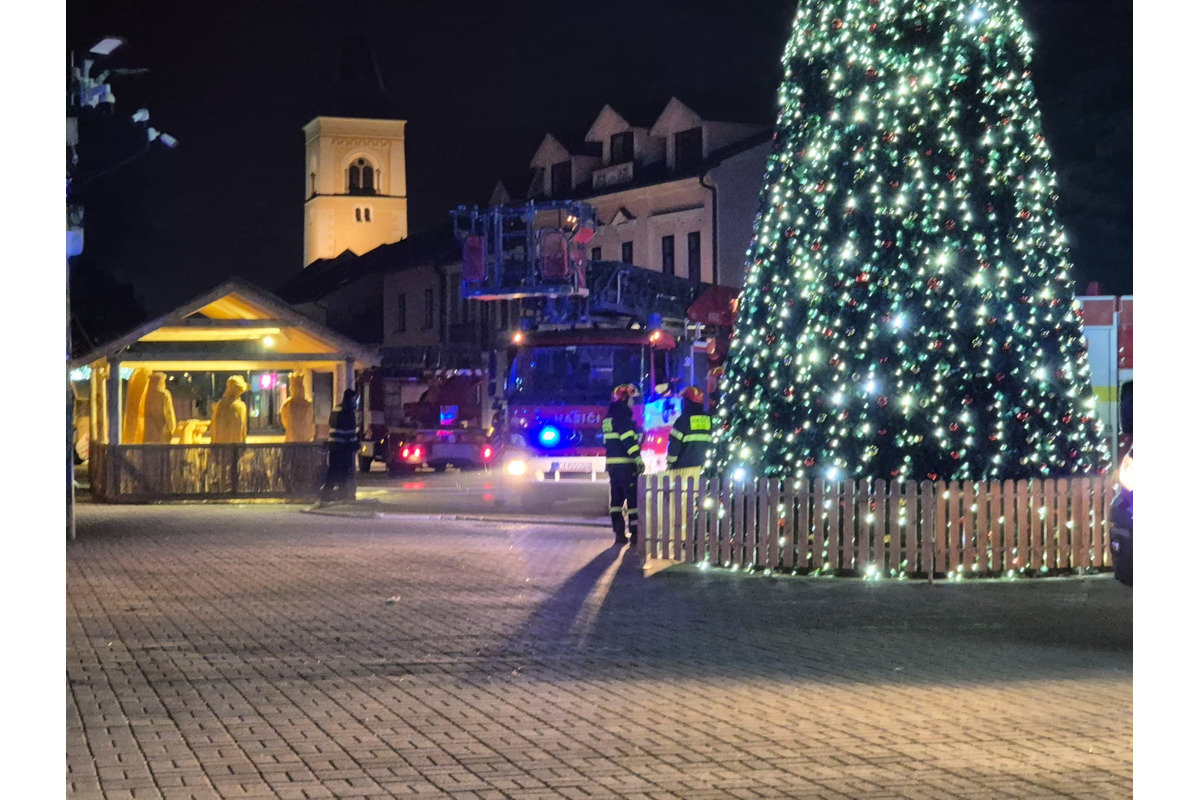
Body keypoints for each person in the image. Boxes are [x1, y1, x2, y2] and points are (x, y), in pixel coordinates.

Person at [603, 383, 642, 547]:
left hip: (612, 465)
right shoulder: (623, 416)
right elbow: (628, 440)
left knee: (616, 501)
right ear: (625, 399)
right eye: (631, 400)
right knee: (632, 502)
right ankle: (634, 535)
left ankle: (619, 534)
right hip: (626, 465)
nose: (633, 403)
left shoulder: (609, 418)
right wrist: (637, 458)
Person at [318, 389, 359, 505]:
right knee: (344, 471)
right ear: (350, 398)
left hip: (333, 446)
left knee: (333, 471)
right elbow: (350, 432)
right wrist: (355, 445)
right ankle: (342, 494)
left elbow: (331, 424)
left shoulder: (336, 409)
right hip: (343, 447)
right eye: (354, 399)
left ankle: (327, 494)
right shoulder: (348, 411)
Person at [666, 385, 712, 479]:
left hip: (683, 470)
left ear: (687, 401)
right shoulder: (709, 419)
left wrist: (670, 464)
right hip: (704, 469)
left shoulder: (683, 420)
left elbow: (674, 446)